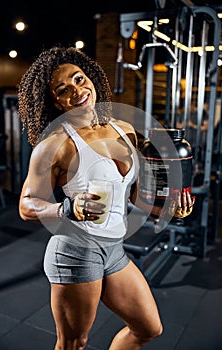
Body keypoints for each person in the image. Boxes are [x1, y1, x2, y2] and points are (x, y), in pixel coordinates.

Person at [18, 45, 195, 350]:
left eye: (79, 79)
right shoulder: (55, 145)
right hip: (74, 251)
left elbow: (137, 194)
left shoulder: (123, 129)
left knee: (148, 328)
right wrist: (68, 208)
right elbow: (25, 206)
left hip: (114, 248)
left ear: (92, 79)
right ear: (56, 103)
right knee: (74, 343)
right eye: (63, 90)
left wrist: (170, 209)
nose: (76, 90)